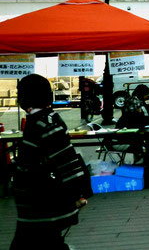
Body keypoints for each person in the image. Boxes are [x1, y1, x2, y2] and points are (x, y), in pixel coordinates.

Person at [11, 74, 92, 250]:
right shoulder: (43, 120)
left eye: (20, 92)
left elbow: (65, 160)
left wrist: (77, 196)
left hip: (43, 202)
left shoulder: (44, 123)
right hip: (39, 202)